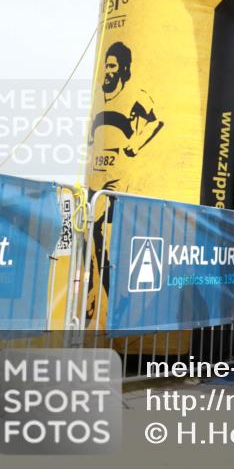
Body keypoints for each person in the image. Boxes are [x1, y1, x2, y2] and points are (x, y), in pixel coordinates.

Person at [85, 40, 164, 323]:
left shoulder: (134, 95)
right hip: (96, 178)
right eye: (105, 65)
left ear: (123, 70)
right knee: (93, 240)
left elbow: (155, 121)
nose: (107, 71)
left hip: (119, 181)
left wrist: (135, 143)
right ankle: (107, 299)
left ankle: (105, 298)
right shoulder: (98, 95)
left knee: (101, 235)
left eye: (112, 66)